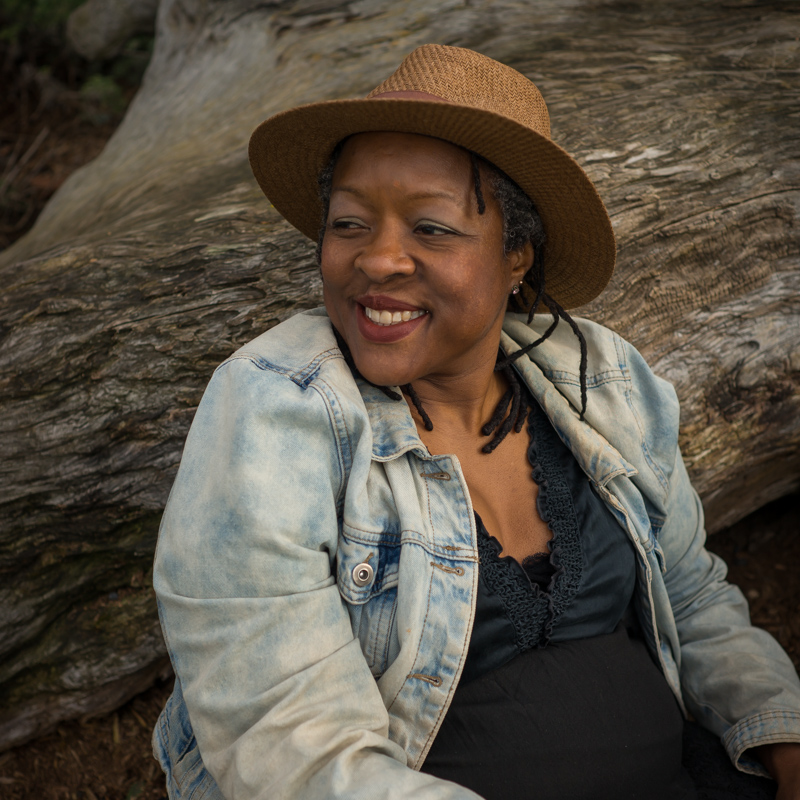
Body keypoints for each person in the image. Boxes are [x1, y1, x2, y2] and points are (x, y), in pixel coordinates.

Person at [152, 44, 800, 799]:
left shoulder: (603, 378)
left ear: (517, 254)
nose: (380, 260)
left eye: (431, 229)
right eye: (351, 223)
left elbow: (690, 597)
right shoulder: (272, 415)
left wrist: (778, 731)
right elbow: (294, 747)